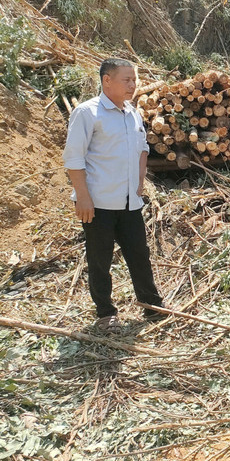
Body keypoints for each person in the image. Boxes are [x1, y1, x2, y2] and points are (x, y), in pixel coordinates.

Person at [63, 58, 165, 333]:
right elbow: (73, 158)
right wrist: (82, 196)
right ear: (106, 80)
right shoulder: (88, 113)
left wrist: (140, 182)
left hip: (130, 202)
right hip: (98, 204)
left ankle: (151, 304)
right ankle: (105, 313)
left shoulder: (132, 113)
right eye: (126, 80)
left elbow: (142, 149)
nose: (133, 85)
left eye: (134, 80)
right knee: (100, 260)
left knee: (139, 254)